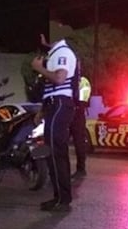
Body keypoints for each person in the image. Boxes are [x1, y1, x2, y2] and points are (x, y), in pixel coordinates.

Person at [31, 33, 78, 212]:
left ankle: (63, 200)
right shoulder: (56, 53)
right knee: (54, 153)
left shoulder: (62, 52)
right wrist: (43, 111)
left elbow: (59, 78)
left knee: (56, 153)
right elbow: (52, 88)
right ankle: (60, 197)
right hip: (55, 105)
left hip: (60, 105)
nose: (42, 40)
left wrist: (38, 68)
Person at [70, 74, 91, 180]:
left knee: (79, 143)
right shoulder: (68, 79)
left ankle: (81, 169)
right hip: (67, 112)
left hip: (77, 113)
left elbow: (82, 100)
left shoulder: (83, 81)